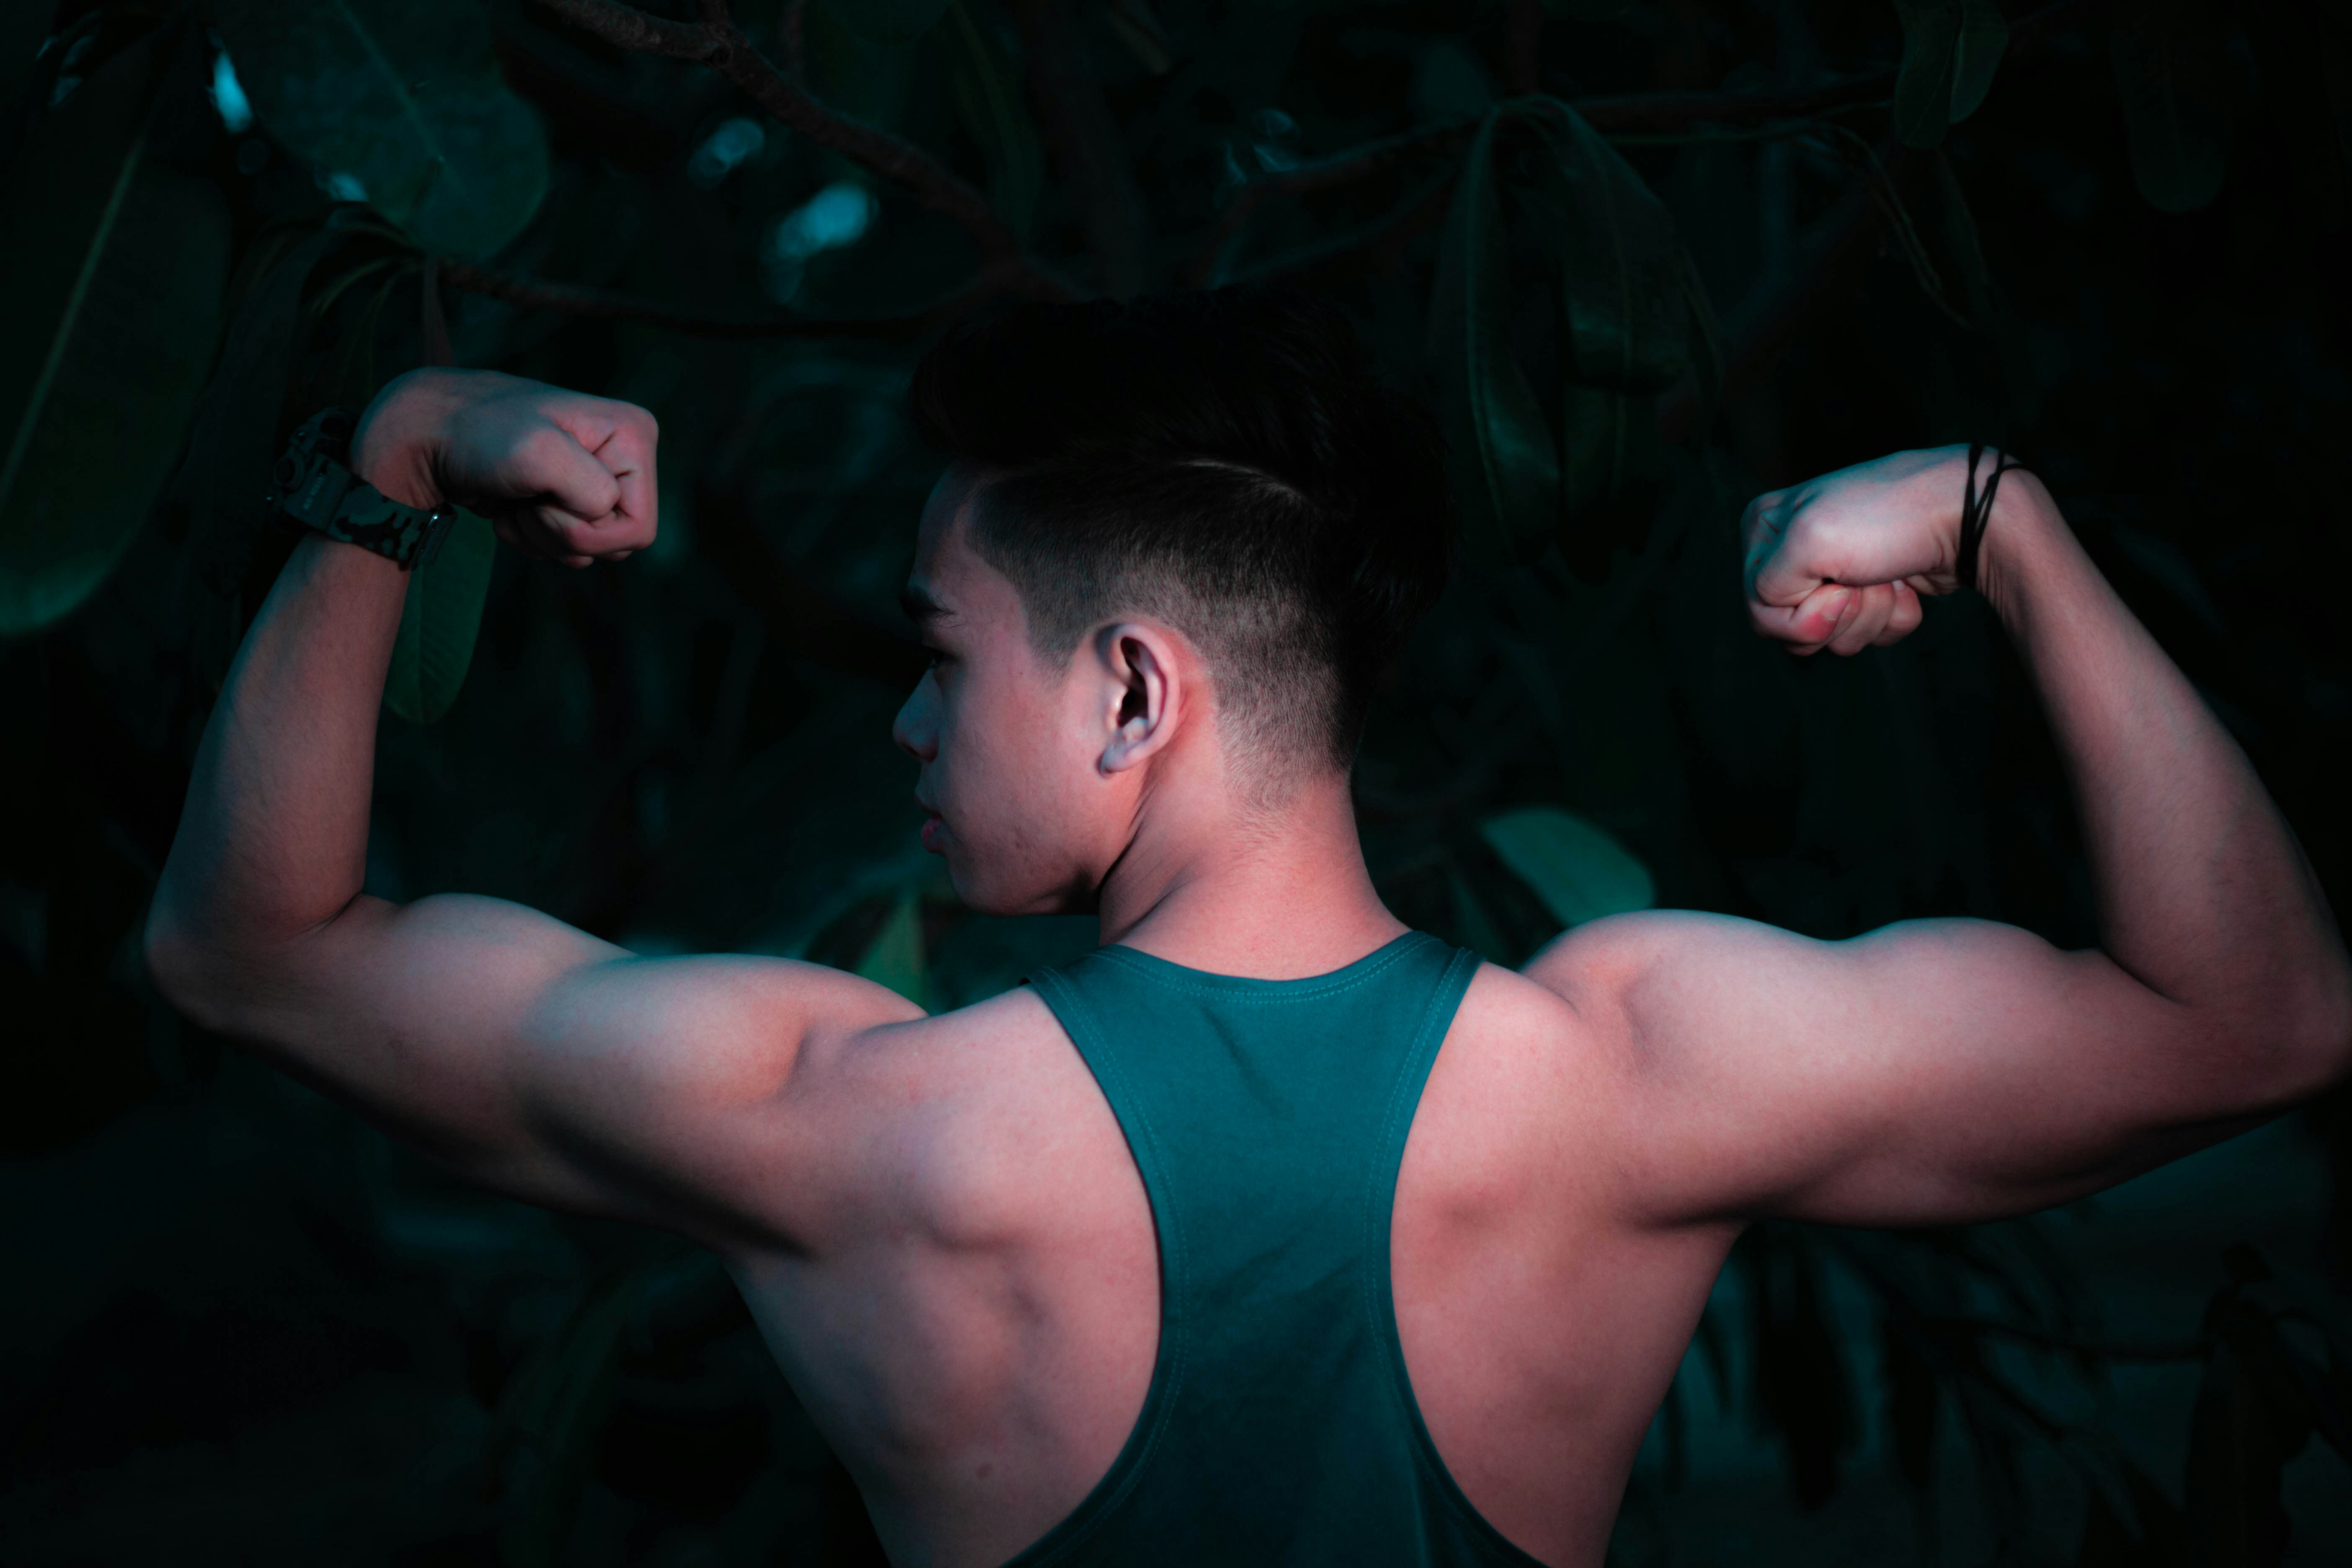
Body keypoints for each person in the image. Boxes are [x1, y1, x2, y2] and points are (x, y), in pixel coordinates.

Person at [146, 288, 2352, 1568]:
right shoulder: (1632, 1076)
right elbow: (2254, 1015)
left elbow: (252, 947)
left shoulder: (850, 1117)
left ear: (1129, 691)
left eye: (944, 649)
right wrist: (2005, 526)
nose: (910, 716)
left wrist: (411, 457)